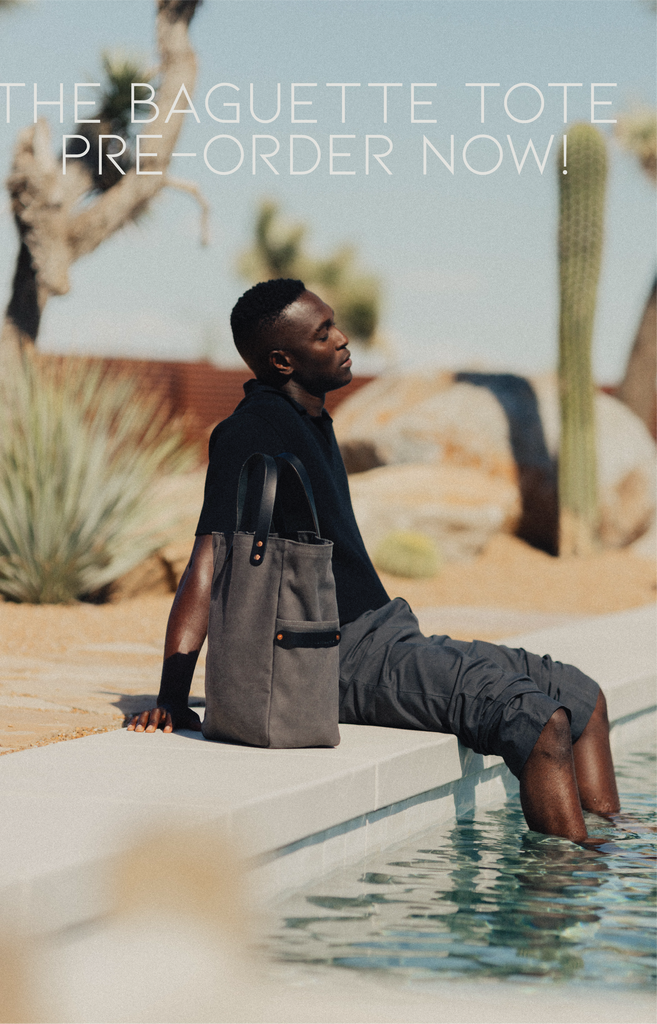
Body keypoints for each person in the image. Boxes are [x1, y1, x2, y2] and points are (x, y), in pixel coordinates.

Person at [128, 278, 620, 845]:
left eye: (334, 324)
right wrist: (172, 696)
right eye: (323, 333)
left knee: (584, 698)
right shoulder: (250, 431)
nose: (342, 339)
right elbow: (209, 560)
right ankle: (562, 901)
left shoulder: (311, 415)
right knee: (541, 727)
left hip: (388, 634)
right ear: (283, 360)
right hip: (337, 659)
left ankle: (616, 853)